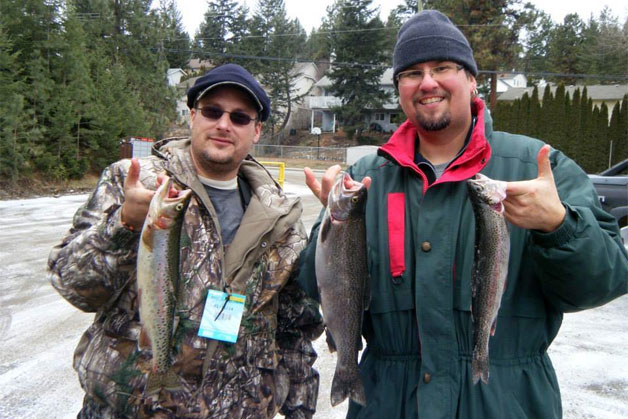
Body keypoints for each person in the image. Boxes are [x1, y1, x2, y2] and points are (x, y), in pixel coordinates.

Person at [300, 10, 628, 419]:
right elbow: (315, 287)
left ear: (472, 79)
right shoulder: (364, 180)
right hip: (387, 404)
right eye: (412, 72)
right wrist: (330, 230)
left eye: (442, 67)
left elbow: (606, 280)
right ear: (400, 87)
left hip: (505, 402)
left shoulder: (538, 166)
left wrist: (560, 228)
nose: (428, 82)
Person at [48, 63, 324, 418]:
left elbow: (294, 327)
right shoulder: (136, 182)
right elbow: (73, 285)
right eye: (213, 111)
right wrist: (124, 224)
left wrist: (300, 408)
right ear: (192, 116)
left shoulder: (280, 217)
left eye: (240, 118)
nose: (224, 125)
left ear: (256, 131)